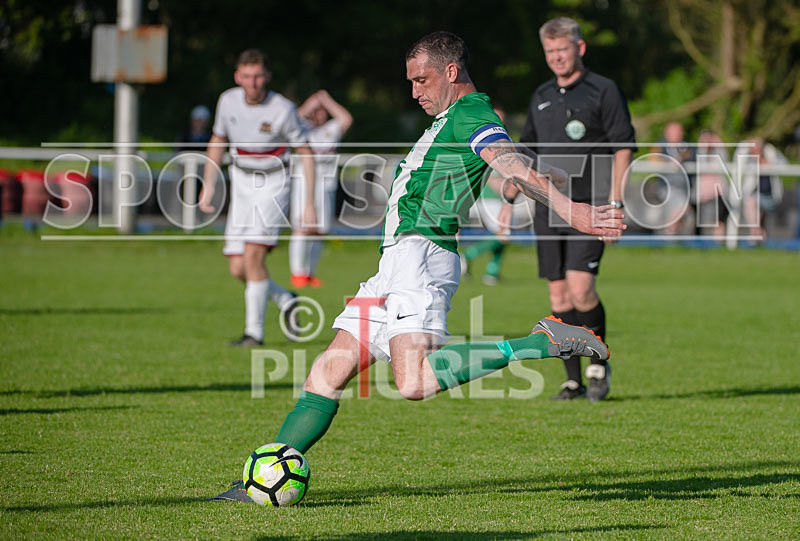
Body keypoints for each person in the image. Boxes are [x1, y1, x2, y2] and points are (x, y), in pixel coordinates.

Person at [213, 31, 625, 500]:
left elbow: (506, 159)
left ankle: (538, 341)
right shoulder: (453, 116)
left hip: (422, 258)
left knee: (413, 382)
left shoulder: (472, 113)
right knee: (327, 374)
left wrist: (572, 210)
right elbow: (512, 164)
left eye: (421, 79)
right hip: (396, 263)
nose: (415, 91)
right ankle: (256, 483)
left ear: (451, 72)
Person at [508, 17, 635, 401]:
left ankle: (598, 364)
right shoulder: (541, 95)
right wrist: (512, 193)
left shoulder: (603, 90)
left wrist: (614, 203)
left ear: (579, 48)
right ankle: (572, 380)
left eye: (562, 50)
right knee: (559, 298)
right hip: (548, 209)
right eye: (550, 52)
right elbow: (526, 151)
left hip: (591, 205)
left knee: (582, 291)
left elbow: (624, 146)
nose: (556, 58)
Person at [198, 49, 317, 346]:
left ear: (267, 76)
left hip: (273, 184)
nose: (252, 83)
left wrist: (310, 203)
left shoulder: (283, 108)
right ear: (238, 76)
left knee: (253, 257)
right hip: (240, 183)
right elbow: (218, 139)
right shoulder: (227, 101)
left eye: (258, 76)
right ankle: (286, 299)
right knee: (239, 268)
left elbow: (305, 153)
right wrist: (208, 184)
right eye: (247, 76)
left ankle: (254, 333)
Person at [289, 90, 353, 289]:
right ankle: (297, 273)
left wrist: (326, 100)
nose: (318, 114)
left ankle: (310, 273)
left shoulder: (330, 130)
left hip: (325, 185)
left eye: (322, 111)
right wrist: (311, 103)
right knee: (302, 228)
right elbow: (290, 118)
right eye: (315, 111)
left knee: (319, 230)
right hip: (303, 184)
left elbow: (346, 118)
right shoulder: (302, 129)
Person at [651, 121, 694, 235]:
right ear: (667, 133)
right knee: (683, 206)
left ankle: (670, 233)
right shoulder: (660, 146)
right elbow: (653, 160)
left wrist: (682, 157)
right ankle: (670, 231)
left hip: (685, 188)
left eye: (679, 131)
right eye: (674, 131)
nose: (678, 134)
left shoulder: (686, 147)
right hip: (666, 188)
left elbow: (692, 157)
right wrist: (669, 162)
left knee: (682, 207)